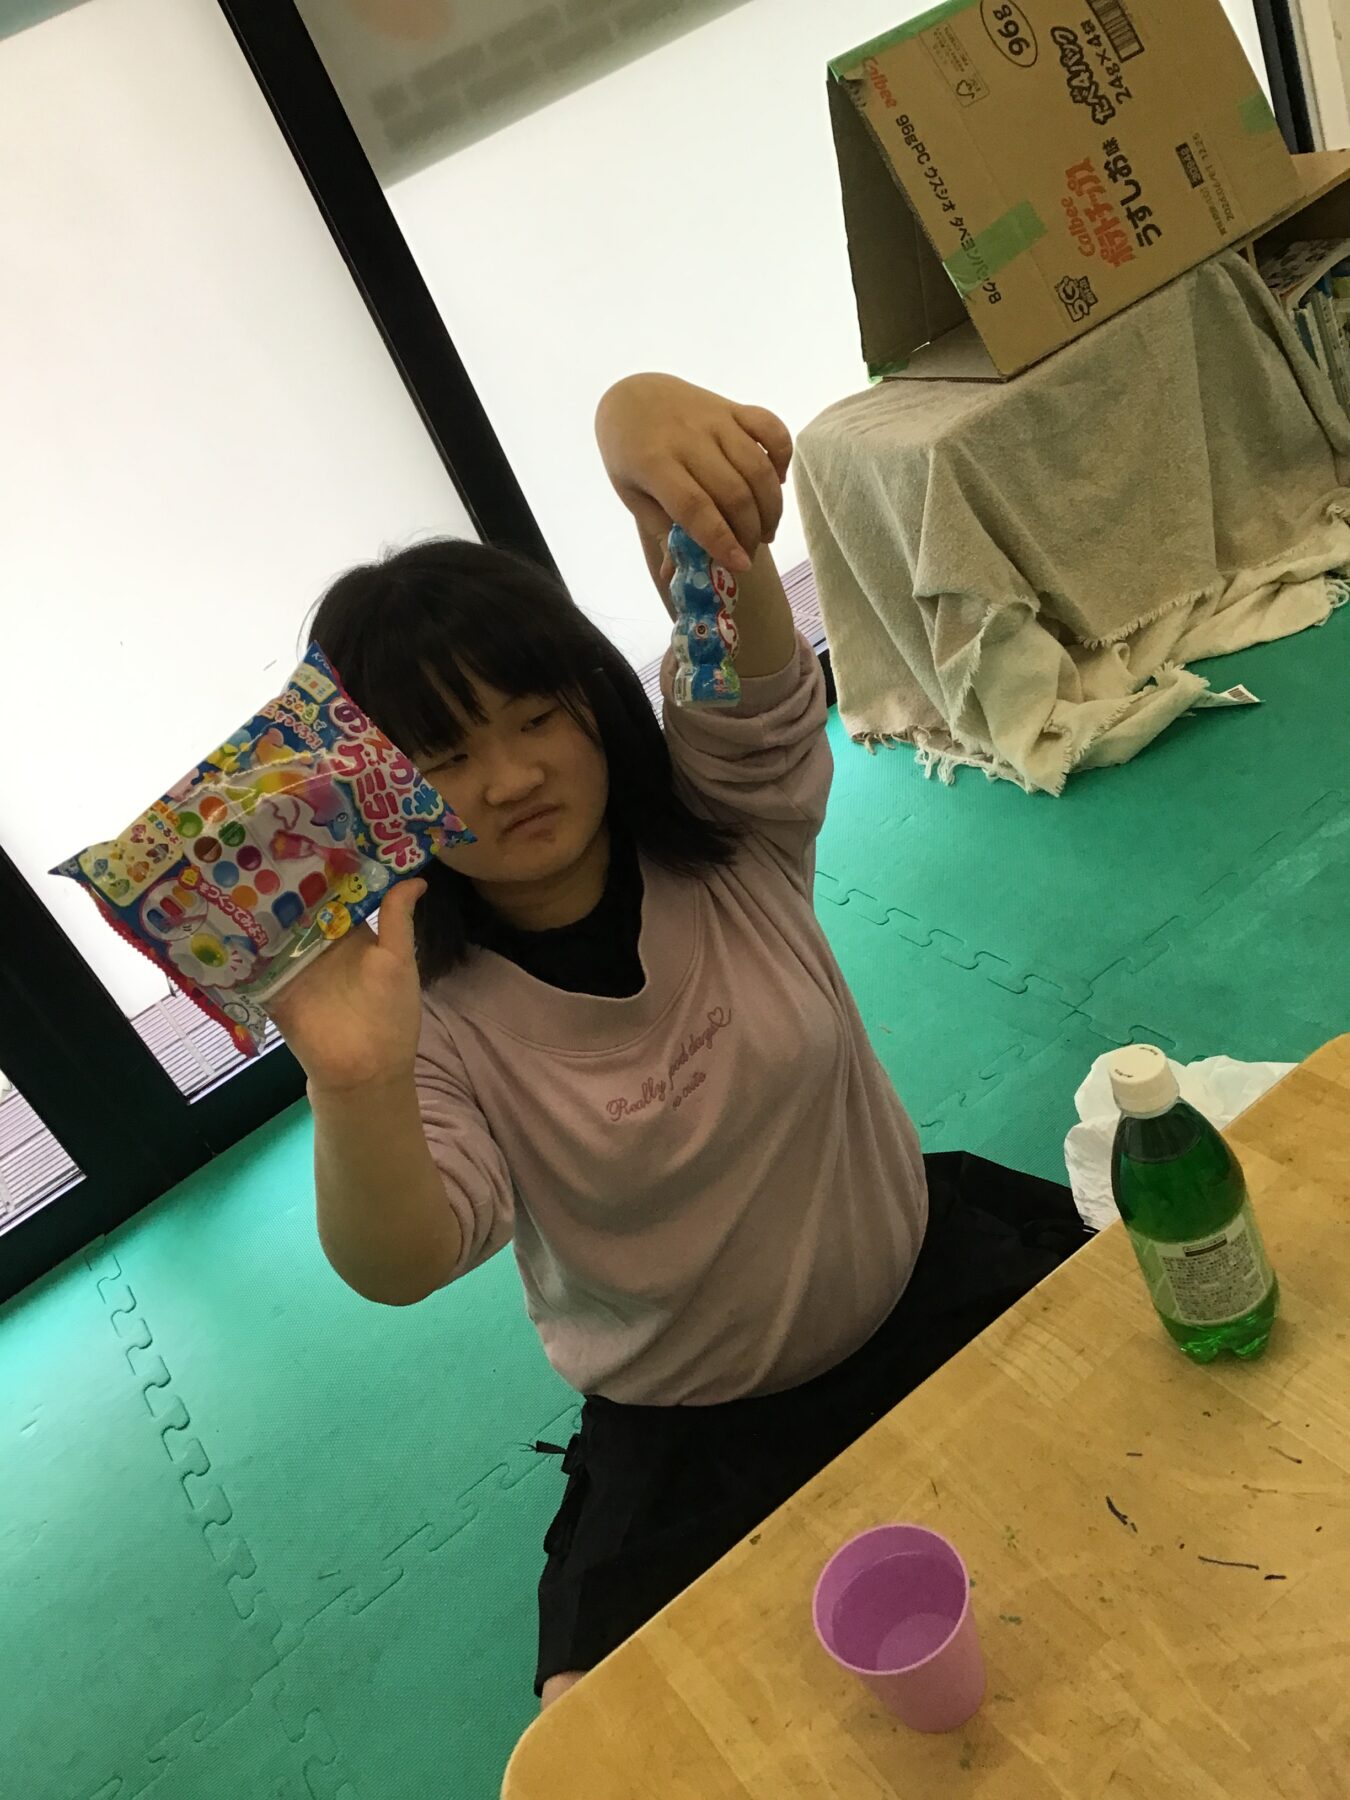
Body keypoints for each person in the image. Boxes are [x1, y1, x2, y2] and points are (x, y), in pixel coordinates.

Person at [268, 373, 1088, 1712]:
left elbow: (745, 660)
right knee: (591, 1745)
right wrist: (353, 1081)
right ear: (383, 794)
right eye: (447, 756)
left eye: (535, 717)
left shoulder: (731, 824)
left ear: (594, 704)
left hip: (924, 1284)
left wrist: (634, 422)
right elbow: (404, 1259)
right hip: (693, 1437)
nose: (511, 778)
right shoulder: (428, 1014)